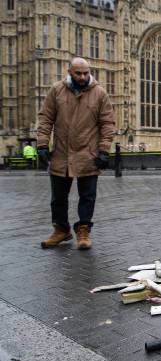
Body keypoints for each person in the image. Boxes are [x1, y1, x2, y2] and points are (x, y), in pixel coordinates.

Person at [37, 57, 115, 250]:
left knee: (87, 196)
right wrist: (42, 145)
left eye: (86, 73)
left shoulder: (100, 94)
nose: (82, 76)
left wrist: (104, 150)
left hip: (88, 154)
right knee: (57, 198)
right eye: (78, 73)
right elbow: (46, 118)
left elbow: (107, 124)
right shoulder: (56, 90)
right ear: (69, 71)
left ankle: (84, 231)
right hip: (61, 154)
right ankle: (61, 230)